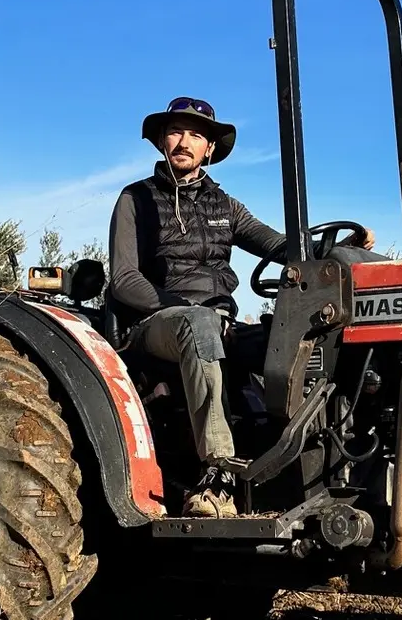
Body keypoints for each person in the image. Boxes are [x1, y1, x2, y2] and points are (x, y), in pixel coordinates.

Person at [107, 96, 375, 518]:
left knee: (298, 340)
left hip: (219, 323)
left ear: (209, 149)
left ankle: (320, 469)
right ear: (161, 140)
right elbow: (123, 280)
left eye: (196, 135)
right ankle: (217, 477)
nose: (185, 141)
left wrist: (335, 248)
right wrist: (181, 306)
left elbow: (283, 247)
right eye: (176, 131)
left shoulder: (224, 205)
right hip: (156, 324)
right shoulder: (136, 199)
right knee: (197, 324)